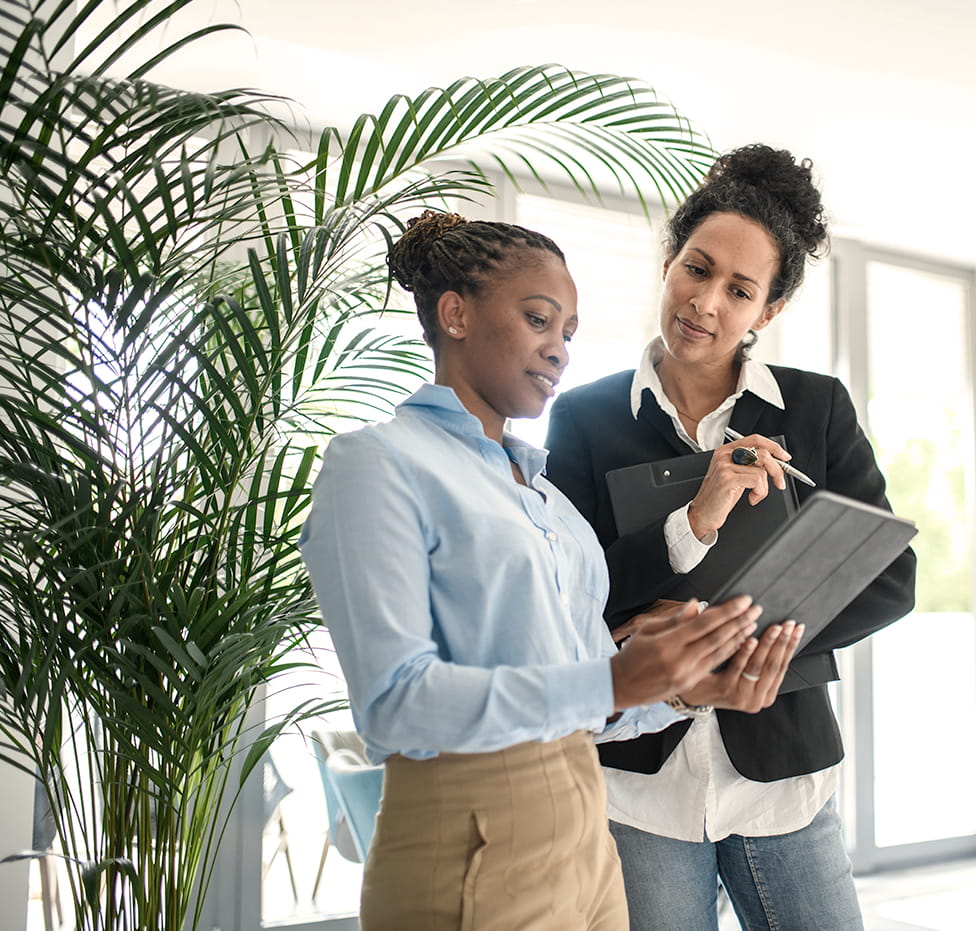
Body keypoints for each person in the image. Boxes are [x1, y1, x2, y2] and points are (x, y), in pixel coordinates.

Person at [298, 211, 802, 931]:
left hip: (588, 837)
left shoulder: (550, 502)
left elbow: (583, 700)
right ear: (456, 314)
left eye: (568, 331)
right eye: (539, 320)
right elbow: (393, 704)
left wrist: (681, 690)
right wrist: (617, 679)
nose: (559, 350)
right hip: (468, 840)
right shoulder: (379, 463)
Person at [543, 145, 918, 929]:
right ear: (669, 262)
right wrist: (693, 521)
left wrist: (733, 642)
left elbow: (889, 576)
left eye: (739, 289)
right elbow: (569, 597)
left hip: (782, 772)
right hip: (638, 785)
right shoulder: (583, 417)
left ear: (767, 312)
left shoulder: (815, 409)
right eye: (697, 268)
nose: (705, 301)